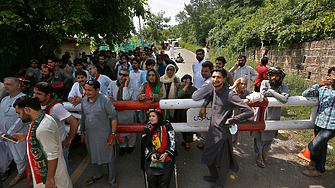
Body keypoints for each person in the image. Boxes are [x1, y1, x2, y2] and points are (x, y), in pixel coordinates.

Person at [200, 67, 254, 188]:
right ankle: (215, 177)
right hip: (213, 130)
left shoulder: (230, 94)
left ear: (224, 79)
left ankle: (220, 184)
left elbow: (249, 111)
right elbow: (209, 96)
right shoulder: (215, 90)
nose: (215, 79)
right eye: (213, 77)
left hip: (222, 133)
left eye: (219, 77)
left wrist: (231, 120)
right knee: (208, 156)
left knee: (223, 160)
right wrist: (204, 106)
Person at [12, 96, 73, 188]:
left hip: (53, 177)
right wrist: (26, 137)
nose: (18, 116)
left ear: (27, 109)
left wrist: (50, 180)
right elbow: (42, 138)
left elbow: (53, 154)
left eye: (19, 113)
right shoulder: (44, 118)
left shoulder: (43, 129)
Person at [33, 82, 80, 174]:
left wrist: (69, 140)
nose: (35, 95)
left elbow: (74, 122)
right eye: (34, 93)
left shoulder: (56, 107)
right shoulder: (35, 105)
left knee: (62, 170)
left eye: (38, 94)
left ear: (48, 95)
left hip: (58, 145)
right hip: (43, 143)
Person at [80, 79, 119, 188]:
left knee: (109, 158)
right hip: (90, 135)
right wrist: (82, 132)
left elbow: (114, 117)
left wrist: (112, 134)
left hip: (104, 135)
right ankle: (97, 174)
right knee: (93, 155)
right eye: (86, 90)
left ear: (97, 90)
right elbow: (83, 117)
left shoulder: (105, 101)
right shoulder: (84, 101)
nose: (87, 92)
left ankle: (112, 179)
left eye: (90, 90)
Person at [250, 66, 289, 168]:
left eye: (276, 76)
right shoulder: (264, 83)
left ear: (281, 77)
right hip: (262, 112)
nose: (274, 78)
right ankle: (259, 154)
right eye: (272, 75)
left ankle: (264, 152)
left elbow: (284, 99)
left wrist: (271, 91)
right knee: (259, 134)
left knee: (270, 134)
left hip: (274, 113)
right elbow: (263, 93)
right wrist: (277, 95)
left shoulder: (283, 87)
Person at [302, 67, 335, 178]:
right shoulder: (324, 88)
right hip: (320, 122)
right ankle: (320, 171)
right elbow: (305, 94)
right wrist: (319, 84)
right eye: (331, 76)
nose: (333, 79)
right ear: (327, 75)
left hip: (331, 126)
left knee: (313, 146)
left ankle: (314, 164)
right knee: (321, 147)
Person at [0, 77, 28, 187]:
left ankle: (22, 173)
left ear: (18, 85)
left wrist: (9, 133)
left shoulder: (24, 99)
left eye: (9, 84)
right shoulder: (4, 100)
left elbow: (22, 119)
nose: (5, 86)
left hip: (17, 133)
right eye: (5, 84)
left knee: (19, 155)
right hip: (3, 134)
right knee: (8, 154)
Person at [140, 107, 176, 188]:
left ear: (159, 116)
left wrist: (166, 153)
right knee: (151, 177)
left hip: (166, 154)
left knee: (166, 178)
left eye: (153, 116)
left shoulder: (167, 125)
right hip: (153, 155)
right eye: (150, 116)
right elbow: (144, 145)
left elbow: (172, 141)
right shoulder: (148, 127)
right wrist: (151, 154)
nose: (151, 118)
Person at [107, 68, 136, 156]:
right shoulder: (112, 84)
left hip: (127, 112)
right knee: (119, 130)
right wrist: (109, 97)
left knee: (130, 131)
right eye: (120, 74)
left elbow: (125, 98)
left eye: (124, 75)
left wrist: (126, 85)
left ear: (128, 77)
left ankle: (131, 145)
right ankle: (122, 146)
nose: (121, 76)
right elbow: (109, 94)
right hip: (117, 112)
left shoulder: (131, 86)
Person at [175, 74, 197, 151]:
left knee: (189, 127)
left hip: (190, 111)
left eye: (186, 81)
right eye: (183, 81)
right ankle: (185, 140)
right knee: (182, 126)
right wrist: (185, 86)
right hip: (181, 112)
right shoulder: (181, 88)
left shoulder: (194, 89)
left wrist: (188, 85)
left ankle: (188, 142)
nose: (184, 83)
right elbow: (180, 95)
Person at [129, 58, 143, 123]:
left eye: (136, 63)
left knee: (141, 117)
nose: (134, 65)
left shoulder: (142, 73)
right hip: (132, 96)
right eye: (133, 63)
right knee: (133, 117)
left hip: (141, 96)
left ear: (139, 64)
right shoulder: (129, 74)